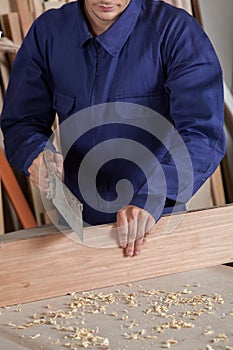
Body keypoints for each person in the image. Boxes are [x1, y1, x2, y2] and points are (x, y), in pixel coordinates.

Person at [0, 0, 225, 256]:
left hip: (154, 223)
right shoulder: (48, 32)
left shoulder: (176, 32)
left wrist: (152, 197)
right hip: (76, 228)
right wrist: (36, 155)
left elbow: (203, 135)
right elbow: (22, 121)